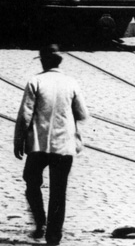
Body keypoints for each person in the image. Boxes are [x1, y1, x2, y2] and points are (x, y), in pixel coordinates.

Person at [14, 44, 89, 245]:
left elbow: (25, 115)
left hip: (39, 146)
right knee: (59, 191)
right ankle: (54, 236)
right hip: (64, 147)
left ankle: (40, 221)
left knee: (31, 181)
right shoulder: (71, 83)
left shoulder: (35, 82)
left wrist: (19, 140)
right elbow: (82, 113)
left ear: (42, 60)